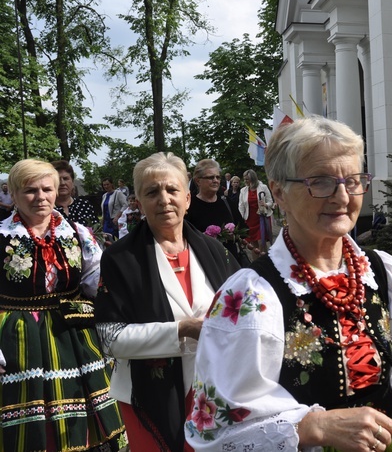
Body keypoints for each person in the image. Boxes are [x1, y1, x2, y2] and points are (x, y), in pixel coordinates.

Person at [185, 117, 392, 451]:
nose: (342, 196)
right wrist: (313, 426)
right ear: (278, 191)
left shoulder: (384, 272)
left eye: (353, 181)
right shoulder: (249, 296)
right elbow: (214, 432)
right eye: (320, 182)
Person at [94, 152, 240, 452]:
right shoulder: (120, 258)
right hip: (148, 398)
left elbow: (244, 309)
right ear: (138, 201)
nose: (164, 199)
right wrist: (182, 329)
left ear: (187, 198)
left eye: (172, 190)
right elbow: (110, 338)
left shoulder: (216, 251)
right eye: (152, 192)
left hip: (215, 393)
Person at [0, 159, 125, 451]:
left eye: (47, 189)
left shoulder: (77, 233)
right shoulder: (3, 237)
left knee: (85, 421)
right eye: (30, 190)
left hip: (74, 335)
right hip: (19, 339)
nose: (40, 197)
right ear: (14, 195)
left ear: (57, 192)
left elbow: (97, 283)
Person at [184, 159, 242, 263]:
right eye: (211, 177)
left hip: (230, 262)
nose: (215, 180)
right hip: (203, 263)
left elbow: (243, 228)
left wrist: (233, 235)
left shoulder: (227, 202)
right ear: (198, 181)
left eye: (218, 177)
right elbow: (183, 237)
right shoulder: (189, 206)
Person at [52, 159, 98, 226]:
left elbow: (96, 231)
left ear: (72, 182)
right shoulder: (47, 209)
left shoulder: (84, 205)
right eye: (58, 179)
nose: (62, 183)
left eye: (65, 178)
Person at [238, 169, 274, 256]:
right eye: (244, 179)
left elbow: (270, 201)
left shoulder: (263, 187)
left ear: (253, 179)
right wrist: (240, 218)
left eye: (247, 179)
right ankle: (256, 263)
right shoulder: (243, 190)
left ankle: (264, 261)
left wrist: (265, 204)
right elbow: (241, 205)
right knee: (253, 245)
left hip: (262, 218)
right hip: (249, 219)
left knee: (262, 242)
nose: (245, 181)